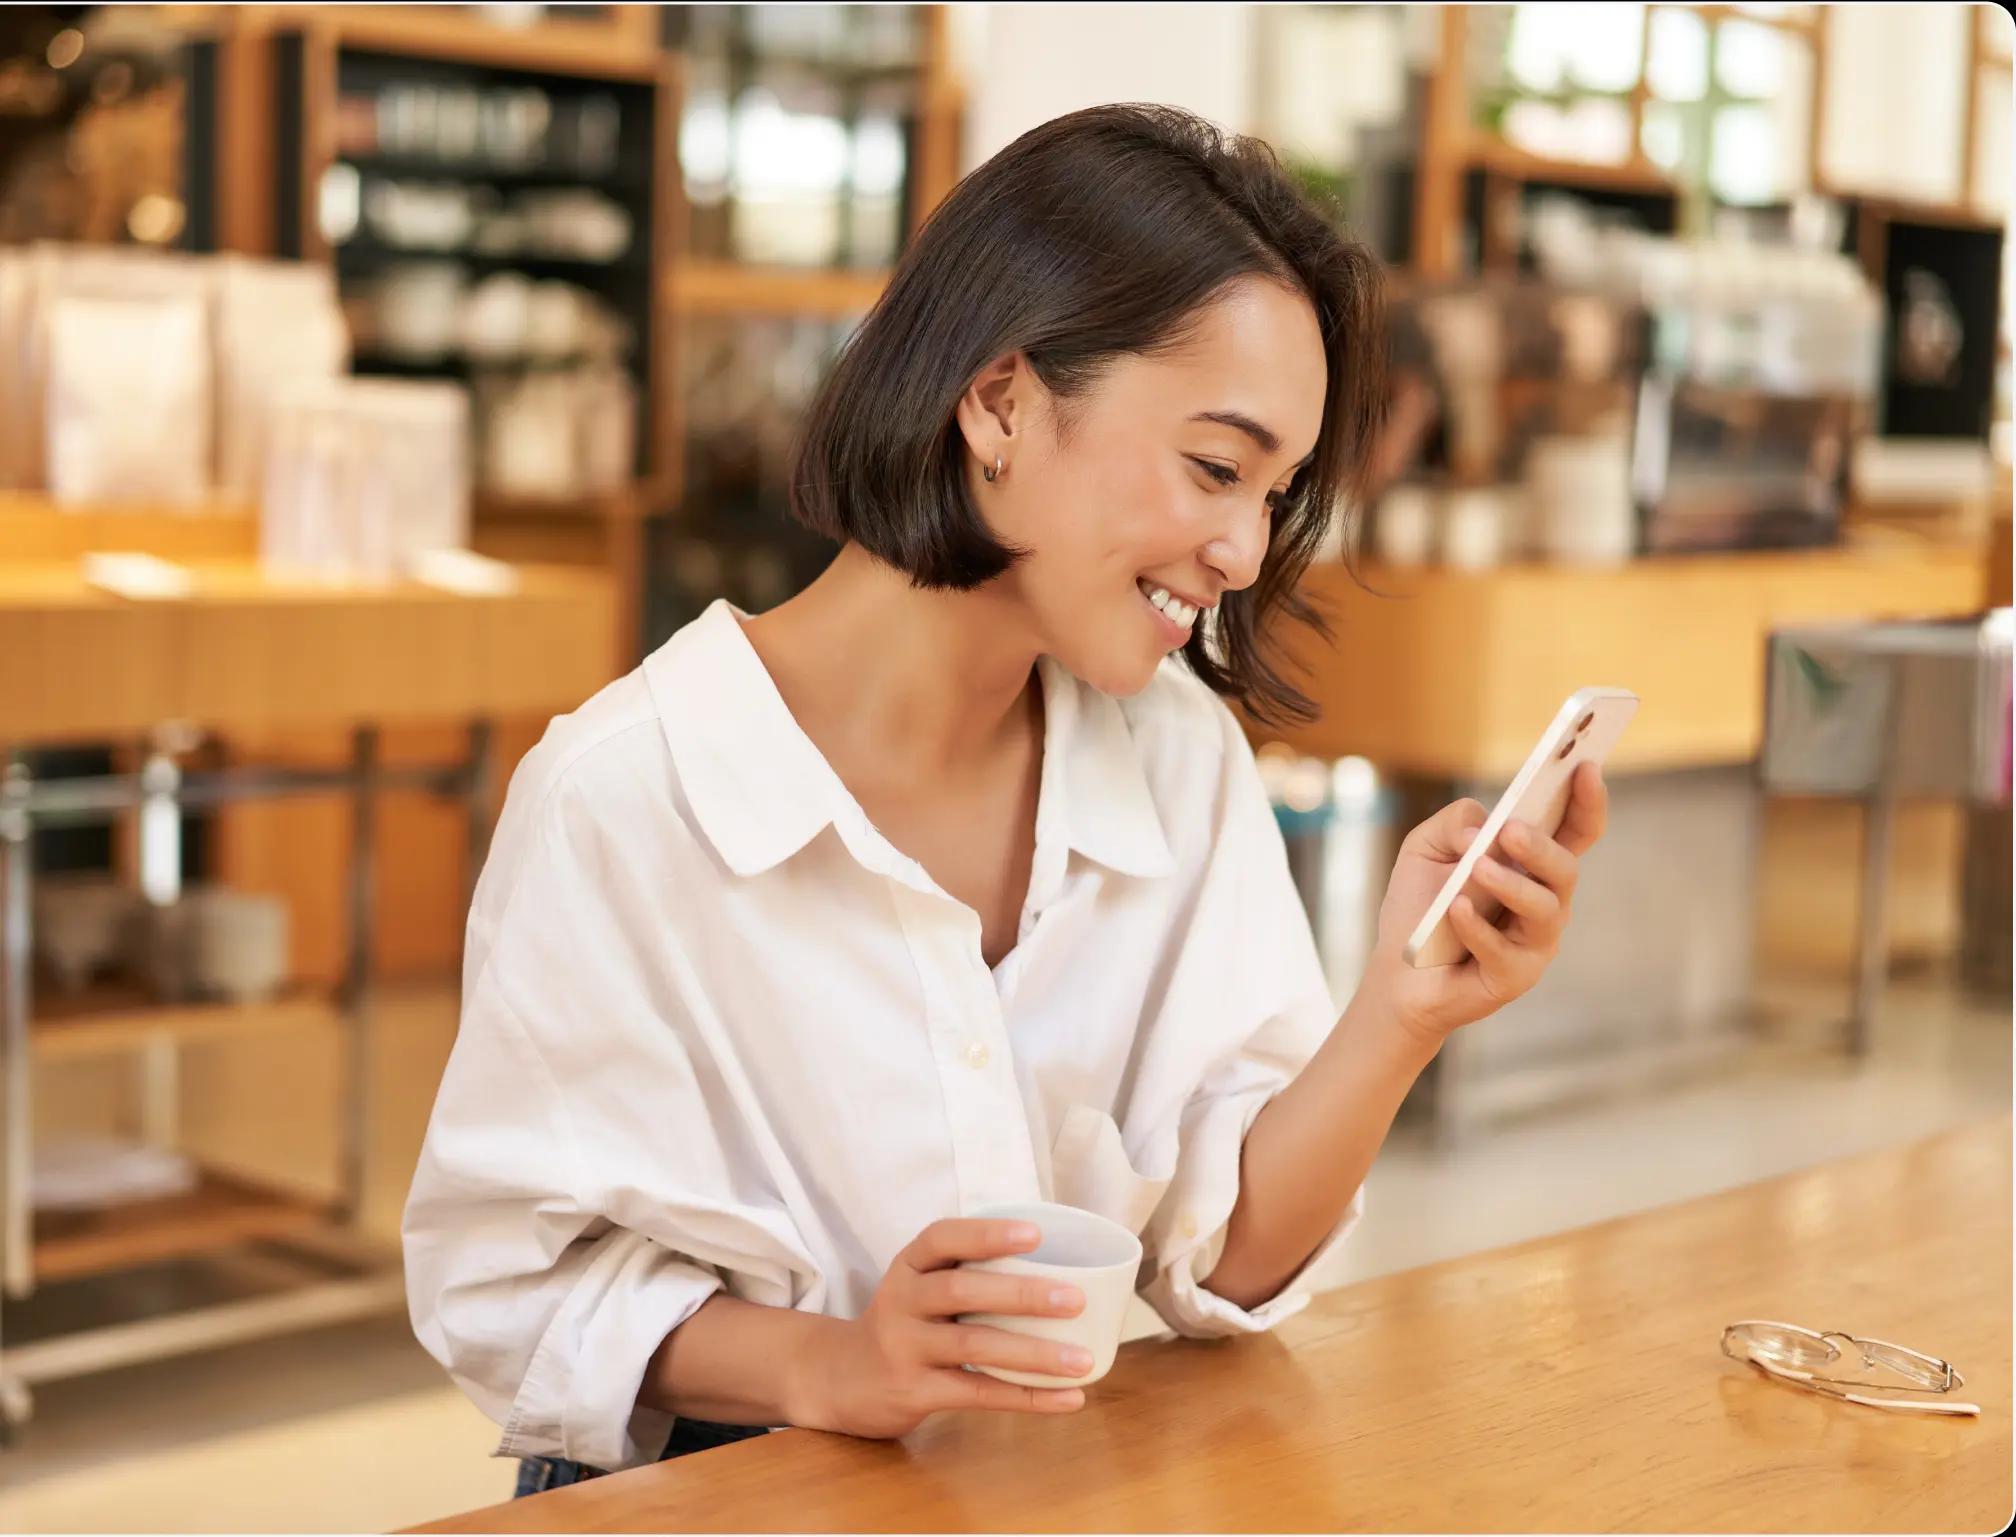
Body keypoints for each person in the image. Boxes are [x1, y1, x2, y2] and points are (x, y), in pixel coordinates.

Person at [403, 103, 1608, 1495]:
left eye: (1276, 495)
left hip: (1044, 1484)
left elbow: (1229, 1259)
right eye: (1217, 467)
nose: (1240, 547)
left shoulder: (1176, 758)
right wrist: (834, 1361)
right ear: (999, 399)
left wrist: (1404, 1012)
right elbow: (504, 1283)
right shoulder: (626, 796)